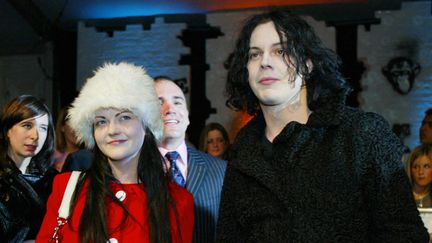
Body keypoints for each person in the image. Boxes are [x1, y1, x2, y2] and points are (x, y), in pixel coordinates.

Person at [216, 10, 428, 242]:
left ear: (307, 64)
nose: (265, 62)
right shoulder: (243, 153)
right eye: (254, 55)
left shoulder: (360, 134)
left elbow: (405, 234)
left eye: (281, 51)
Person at [36, 62, 194, 243]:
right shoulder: (66, 189)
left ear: (146, 124)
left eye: (124, 117)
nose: (112, 130)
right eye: (101, 121)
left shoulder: (179, 201)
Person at [154, 76, 227, 243]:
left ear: (187, 116)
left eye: (177, 102)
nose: (169, 108)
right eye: (159, 102)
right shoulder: (131, 172)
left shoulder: (221, 170)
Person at [0, 94, 56, 242]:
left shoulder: (51, 180)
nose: (35, 135)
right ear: (7, 130)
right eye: (27, 125)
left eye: (43, 128)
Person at [52, 105, 80, 172]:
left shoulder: (90, 156)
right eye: (71, 123)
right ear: (62, 127)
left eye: (79, 123)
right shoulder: (52, 156)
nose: (76, 129)